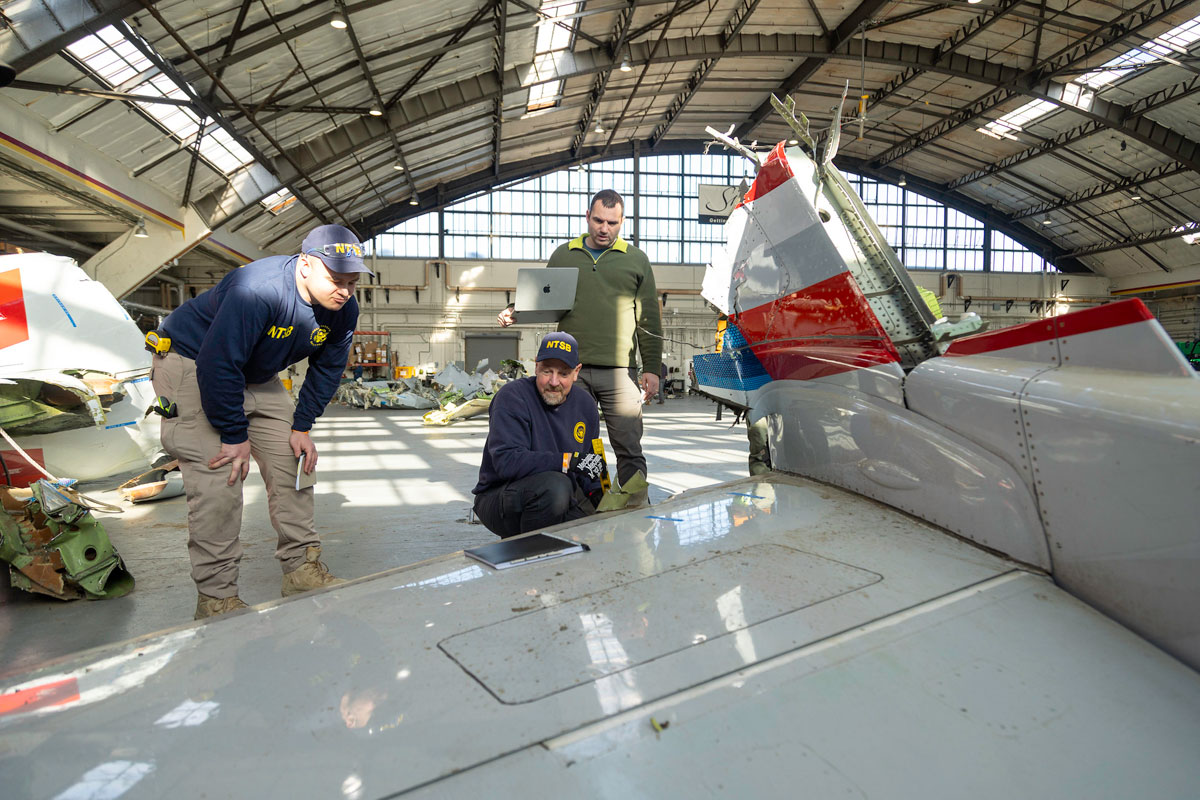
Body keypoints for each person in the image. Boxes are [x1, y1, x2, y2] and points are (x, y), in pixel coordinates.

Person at [151, 224, 370, 619]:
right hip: (194, 362)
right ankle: (217, 598)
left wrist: (302, 426)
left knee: (294, 461)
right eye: (336, 280)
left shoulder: (343, 309)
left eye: (352, 283)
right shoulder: (257, 290)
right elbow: (218, 364)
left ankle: (301, 569)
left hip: (255, 371)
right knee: (222, 476)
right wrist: (234, 434)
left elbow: (327, 369)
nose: (345, 291)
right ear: (305, 264)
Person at [498, 190, 662, 490]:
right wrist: (514, 310)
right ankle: (583, 501)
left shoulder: (636, 260)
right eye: (598, 220)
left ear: (622, 221)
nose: (604, 228)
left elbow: (649, 318)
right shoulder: (564, 255)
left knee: (629, 446)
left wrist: (651, 367)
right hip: (570, 371)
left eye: (612, 223)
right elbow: (542, 296)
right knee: (570, 446)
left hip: (619, 371)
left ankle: (634, 503)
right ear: (587, 217)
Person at [472, 332, 606, 538]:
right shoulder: (512, 397)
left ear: (576, 372)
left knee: (593, 532)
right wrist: (567, 461)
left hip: (560, 496)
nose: (554, 381)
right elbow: (507, 462)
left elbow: (591, 460)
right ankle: (531, 551)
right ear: (536, 366)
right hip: (501, 496)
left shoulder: (586, 405)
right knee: (555, 487)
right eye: (547, 371)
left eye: (563, 374)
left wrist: (600, 494)